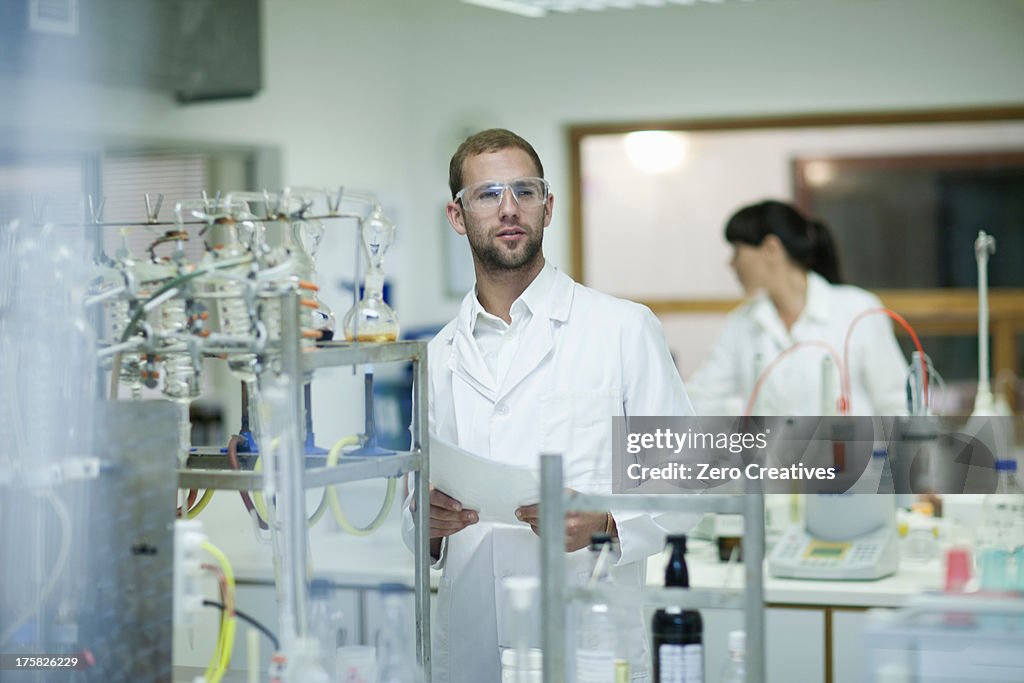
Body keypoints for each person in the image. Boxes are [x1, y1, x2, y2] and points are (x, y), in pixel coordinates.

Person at [402, 128, 694, 683]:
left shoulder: (623, 329)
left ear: (548, 206)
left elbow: (686, 483)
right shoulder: (437, 356)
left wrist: (608, 522)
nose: (509, 208)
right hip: (471, 641)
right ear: (457, 216)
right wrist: (429, 525)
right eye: (488, 194)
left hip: (585, 638)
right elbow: (413, 511)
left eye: (525, 191)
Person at [686, 199, 908, 416]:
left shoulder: (857, 310)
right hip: (767, 455)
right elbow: (702, 400)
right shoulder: (742, 322)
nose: (731, 264)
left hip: (851, 453)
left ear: (771, 248)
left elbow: (898, 404)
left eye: (737, 251)